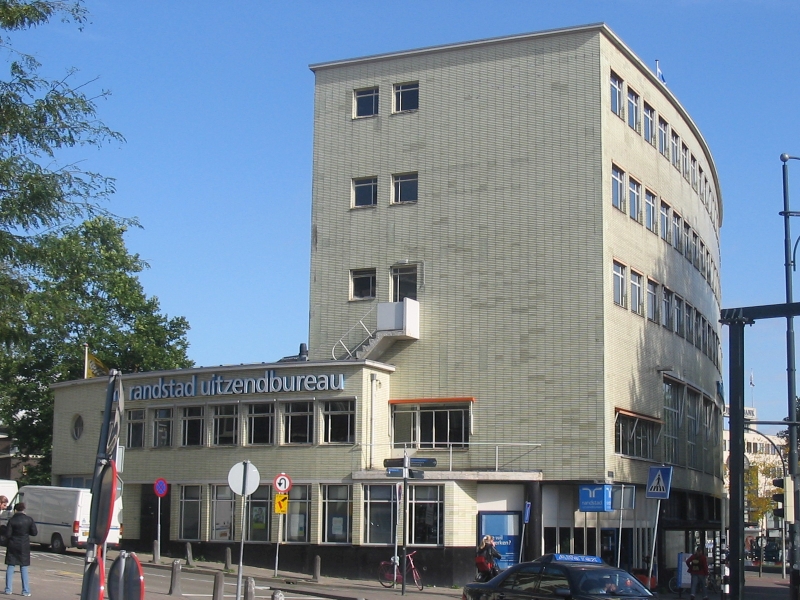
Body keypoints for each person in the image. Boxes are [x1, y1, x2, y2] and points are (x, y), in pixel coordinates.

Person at [4, 502, 37, 596]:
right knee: (24, 567)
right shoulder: (29, 519)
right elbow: (34, 532)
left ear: (15, 510)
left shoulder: (12, 520)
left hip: (13, 544)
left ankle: (8, 589)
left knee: (11, 566)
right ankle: (25, 590)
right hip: (24, 545)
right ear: (24, 509)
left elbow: (8, 534)